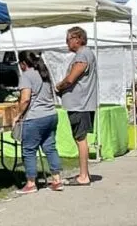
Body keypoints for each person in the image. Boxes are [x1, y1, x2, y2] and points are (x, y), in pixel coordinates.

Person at [54, 26, 96, 187]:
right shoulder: (85, 54)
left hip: (80, 104)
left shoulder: (83, 55)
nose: (66, 42)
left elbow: (71, 78)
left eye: (68, 39)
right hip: (81, 103)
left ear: (78, 39)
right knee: (80, 137)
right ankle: (84, 173)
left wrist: (59, 86)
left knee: (80, 138)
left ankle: (84, 175)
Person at [16, 51, 62, 193]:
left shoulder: (26, 76)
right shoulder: (44, 73)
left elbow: (25, 99)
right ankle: (57, 180)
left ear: (23, 63)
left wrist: (18, 115)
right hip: (51, 115)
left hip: (35, 117)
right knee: (50, 147)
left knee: (29, 150)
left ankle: (31, 183)